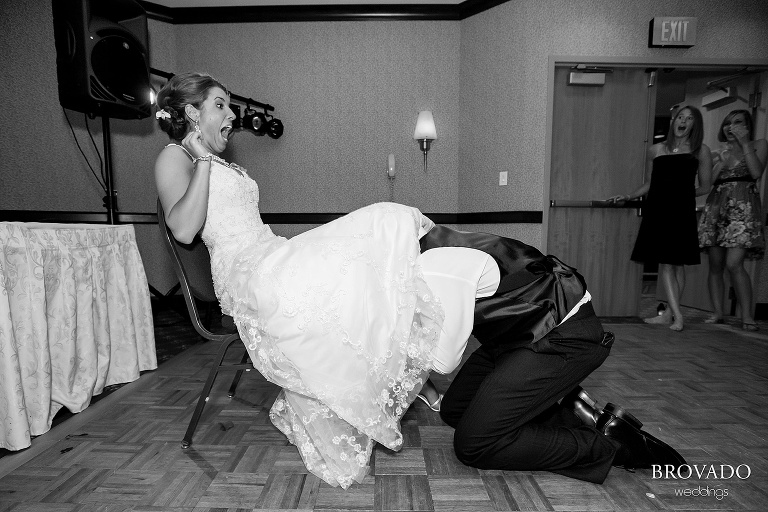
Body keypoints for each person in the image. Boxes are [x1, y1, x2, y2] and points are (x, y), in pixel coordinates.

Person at [155, 72, 684, 488]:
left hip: (561, 328)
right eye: (220, 105)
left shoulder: (457, 262)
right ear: (188, 112)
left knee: (376, 237)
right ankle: (562, 410)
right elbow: (182, 227)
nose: (231, 114)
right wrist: (200, 161)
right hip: (250, 270)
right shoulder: (175, 158)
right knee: (358, 282)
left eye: (228, 104)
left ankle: (584, 425)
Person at [610, 106, 712, 331]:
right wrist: (628, 196)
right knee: (666, 263)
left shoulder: (700, 151)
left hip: (682, 210)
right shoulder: (656, 150)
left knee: (678, 264)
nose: (683, 121)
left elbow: (705, 186)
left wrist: (683, 194)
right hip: (658, 209)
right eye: (680, 117)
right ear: (673, 121)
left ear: (695, 125)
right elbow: (649, 183)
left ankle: (671, 314)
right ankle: (676, 315)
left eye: (689, 118)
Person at [698, 109, 766, 331]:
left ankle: (747, 315)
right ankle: (718, 312)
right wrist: (721, 160)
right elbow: (707, 183)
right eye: (727, 123)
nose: (731, 127)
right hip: (717, 208)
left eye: (737, 122)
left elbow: (756, 173)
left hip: (744, 210)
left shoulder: (759, 144)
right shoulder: (717, 152)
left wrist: (744, 144)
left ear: (748, 126)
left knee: (734, 263)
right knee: (715, 265)